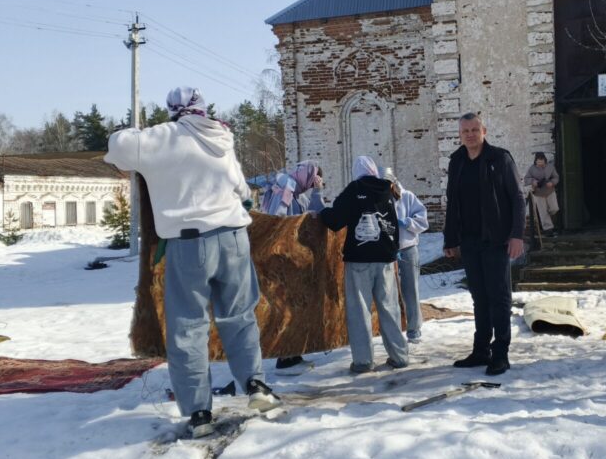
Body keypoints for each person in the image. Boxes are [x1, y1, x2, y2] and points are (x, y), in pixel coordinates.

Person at [104, 86, 279, 438]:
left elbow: (118, 147)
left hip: (189, 244)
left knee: (188, 325)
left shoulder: (162, 138)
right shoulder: (221, 136)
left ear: (172, 109)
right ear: (203, 107)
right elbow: (242, 190)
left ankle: (199, 412)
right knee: (239, 315)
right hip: (233, 236)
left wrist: (142, 130)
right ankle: (256, 385)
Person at [443, 112, 525, 376]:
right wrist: (450, 238)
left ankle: (500, 353)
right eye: (465, 131)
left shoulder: (499, 158)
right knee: (479, 297)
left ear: (484, 132)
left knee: (498, 297)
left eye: (474, 130)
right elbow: (452, 201)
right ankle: (481, 351)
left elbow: (517, 198)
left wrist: (517, 235)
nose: (470, 135)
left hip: (496, 239)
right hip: (469, 240)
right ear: (460, 134)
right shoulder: (456, 161)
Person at [316, 155, 409, 372]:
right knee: (390, 308)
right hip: (386, 259)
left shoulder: (354, 189)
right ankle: (400, 356)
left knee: (360, 310)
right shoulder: (387, 189)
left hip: (359, 259)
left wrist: (322, 212)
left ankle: (363, 361)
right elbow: (393, 224)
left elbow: (335, 220)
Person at [383, 167, 429, 343]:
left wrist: (407, 223)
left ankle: (414, 329)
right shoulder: (379, 199)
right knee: (388, 292)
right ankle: (394, 331)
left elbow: (422, 220)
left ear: (392, 183)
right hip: (388, 250)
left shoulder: (407, 197)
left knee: (411, 290)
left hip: (408, 249)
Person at [260, 161, 325, 216]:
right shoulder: (286, 187)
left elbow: (315, 216)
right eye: (311, 184)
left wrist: (317, 191)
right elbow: (278, 219)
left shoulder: (300, 194)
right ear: (307, 177)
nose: (309, 187)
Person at [523, 152, 561, 235]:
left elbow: (556, 177)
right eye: (538, 162)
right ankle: (548, 229)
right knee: (543, 212)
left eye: (541, 162)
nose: (540, 164)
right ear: (535, 161)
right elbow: (526, 179)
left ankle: (549, 219)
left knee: (554, 208)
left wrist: (552, 182)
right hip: (538, 193)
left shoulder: (550, 167)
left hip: (550, 191)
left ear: (545, 160)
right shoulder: (532, 169)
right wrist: (533, 181)